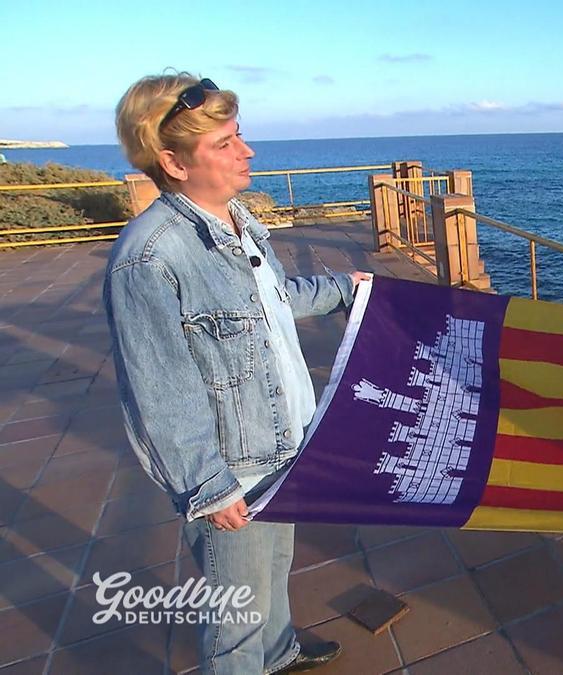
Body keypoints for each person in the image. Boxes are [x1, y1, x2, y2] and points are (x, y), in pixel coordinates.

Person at [105, 73, 370, 674]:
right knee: (235, 615)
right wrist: (208, 484)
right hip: (234, 464)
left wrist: (339, 290)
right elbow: (159, 391)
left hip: (283, 439)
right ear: (173, 162)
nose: (246, 151)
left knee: (274, 569)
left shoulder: (236, 219)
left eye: (239, 135)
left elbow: (269, 299)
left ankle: (279, 655)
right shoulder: (151, 256)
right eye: (224, 144)